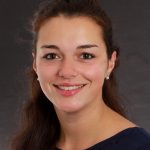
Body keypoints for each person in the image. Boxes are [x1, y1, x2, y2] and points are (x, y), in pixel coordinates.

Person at [11, 0, 150, 149]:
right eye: (51, 56)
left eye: (86, 56)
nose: (66, 71)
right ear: (35, 64)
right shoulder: (31, 143)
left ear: (110, 63)